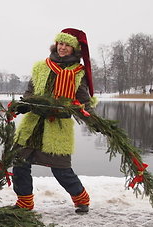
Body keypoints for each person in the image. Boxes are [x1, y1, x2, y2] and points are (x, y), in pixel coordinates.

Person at [11, 28, 95, 214]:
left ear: (75, 49)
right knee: (20, 163)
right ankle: (24, 203)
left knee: (61, 170)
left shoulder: (77, 73)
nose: (63, 48)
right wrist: (24, 104)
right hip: (32, 125)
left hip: (57, 127)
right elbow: (30, 92)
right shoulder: (41, 67)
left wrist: (93, 119)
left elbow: (83, 101)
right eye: (60, 43)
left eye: (67, 45)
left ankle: (81, 199)